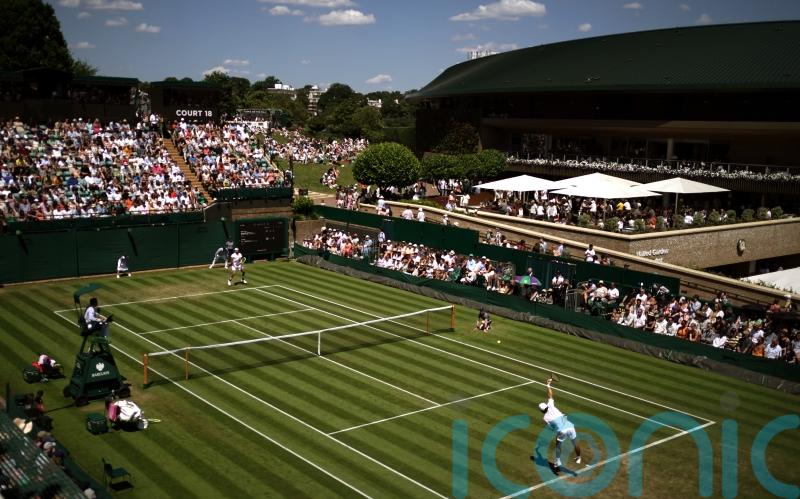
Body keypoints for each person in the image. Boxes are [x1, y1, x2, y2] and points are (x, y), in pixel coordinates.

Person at [539, 377, 581, 474]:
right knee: (575, 442)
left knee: (558, 444)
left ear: (541, 411)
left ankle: (557, 461)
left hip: (562, 430)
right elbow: (550, 395)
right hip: (570, 425)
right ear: (546, 406)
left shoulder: (545, 418)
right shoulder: (550, 405)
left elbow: (553, 428)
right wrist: (548, 384)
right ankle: (579, 457)